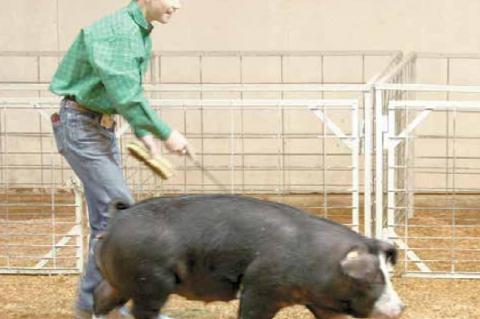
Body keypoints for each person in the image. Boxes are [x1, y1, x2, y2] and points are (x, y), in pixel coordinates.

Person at [49, 0, 187, 318]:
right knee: (118, 211)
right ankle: (93, 305)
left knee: (110, 218)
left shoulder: (137, 31)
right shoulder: (120, 33)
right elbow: (127, 95)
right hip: (83, 125)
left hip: (98, 126)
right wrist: (166, 133)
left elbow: (122, 90)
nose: (178, 5)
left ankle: (102, 305)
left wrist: (144, 133)